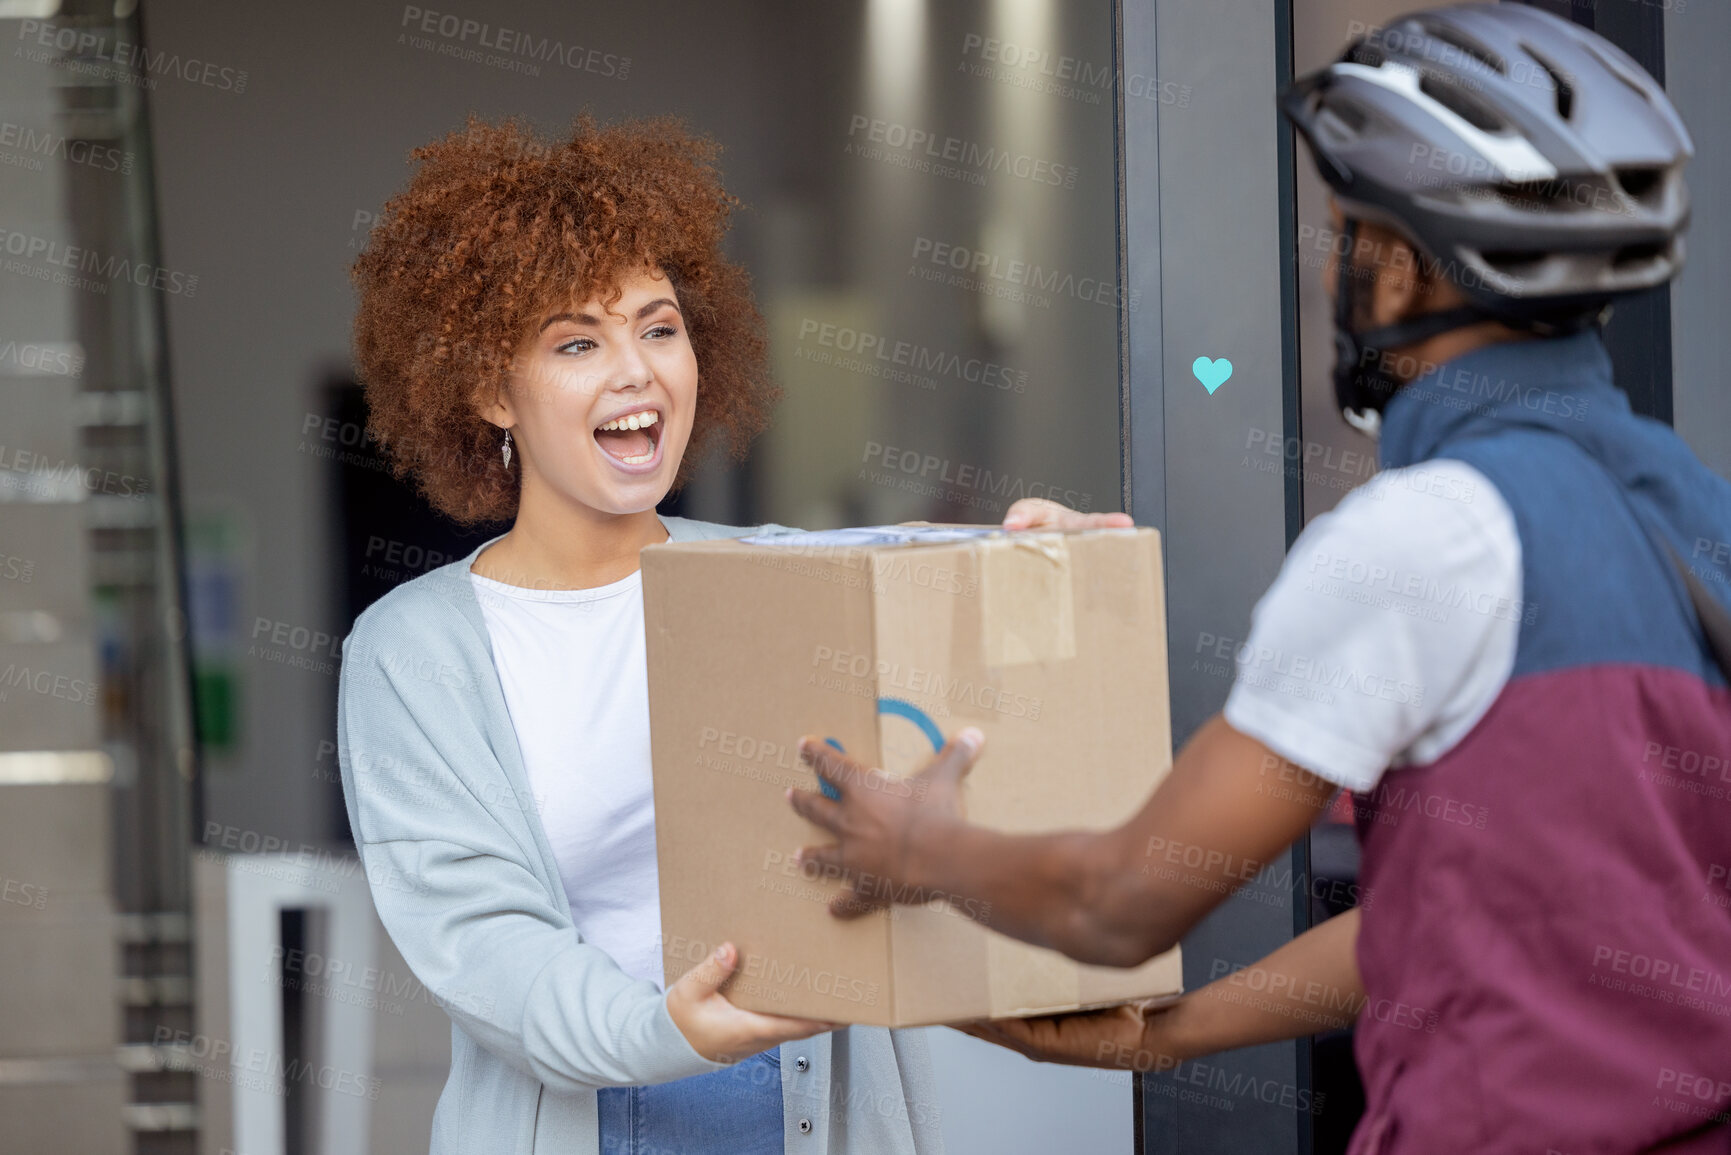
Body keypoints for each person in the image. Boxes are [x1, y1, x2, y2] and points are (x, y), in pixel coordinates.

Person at [787, 7, 1731, 1152]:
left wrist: (925, 848)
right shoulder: (1696, 517)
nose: (1335, 277)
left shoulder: (1419, 539)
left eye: (1346, 236)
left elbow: (1125, 897)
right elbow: (1462, 921)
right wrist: (1171, 1035)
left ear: (1400, 267)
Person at [338, 112, 1077, 1155]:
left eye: (659, 326)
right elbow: (487, 951)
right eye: (577, 342)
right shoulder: (413, 654)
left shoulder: (767, 578)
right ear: (489, 391)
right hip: (594, 1108)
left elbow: (922, 564)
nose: (636, 371)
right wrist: (664, 1029)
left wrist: (1050, 555)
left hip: (806, 1108)